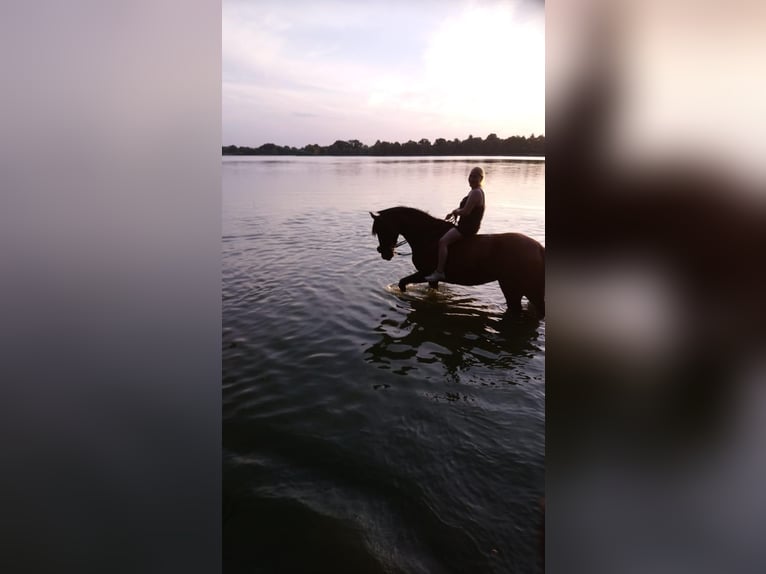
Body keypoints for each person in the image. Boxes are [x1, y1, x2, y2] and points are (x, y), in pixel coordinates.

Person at [424, 166, 486, 282]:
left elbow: (466, 212)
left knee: (443, 241)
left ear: (481, 178)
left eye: (475, 176)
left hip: (467, 228)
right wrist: (456, 212)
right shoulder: (475, 191)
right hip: (466, 225)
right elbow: (466, 208)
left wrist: (455, 211)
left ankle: (439, 272)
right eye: (470, 176)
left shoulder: (476, 193)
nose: (472, 179)